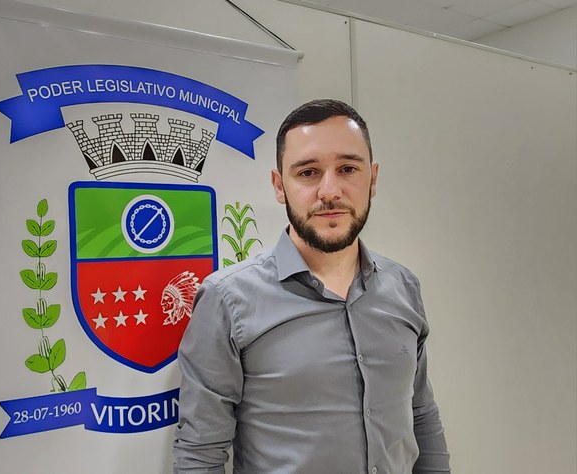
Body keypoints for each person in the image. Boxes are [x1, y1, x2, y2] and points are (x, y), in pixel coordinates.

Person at [173, 99, 450, 473]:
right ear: (279, 186)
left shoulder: (403, 286)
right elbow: (200, 454)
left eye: (348, 168)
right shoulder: (227, 300)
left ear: (372, 179)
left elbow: (420, 414)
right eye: (308, 172)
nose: (330, 191)